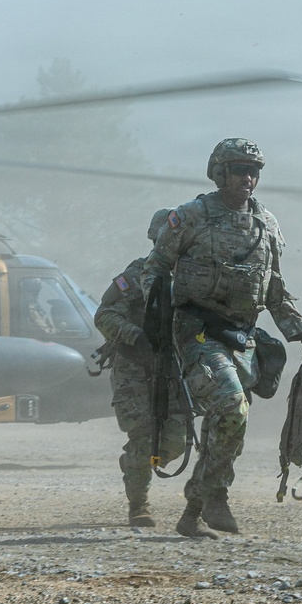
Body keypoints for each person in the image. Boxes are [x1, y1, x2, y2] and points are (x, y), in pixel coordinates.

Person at [141, 138, 302, 539]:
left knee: (224, 427)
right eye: (240, 169)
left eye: (254, 171)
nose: (248, 178)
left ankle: (192, 512)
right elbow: (153, 270)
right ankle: (216, 497)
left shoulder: (267, 225)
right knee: (232, 408)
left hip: (242, 337)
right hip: (196, 332)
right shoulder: (190, 217)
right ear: (219, 173)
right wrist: (155, 314)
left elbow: (275, 291)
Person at [94, 209, 190, 527]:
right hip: (134, 370)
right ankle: (139, 505)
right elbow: (105, 314)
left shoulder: (193, 279)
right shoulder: (136, 276)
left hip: (174, 372)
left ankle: (139, 465)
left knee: (177, 439)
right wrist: (137, 337)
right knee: (142, 436)